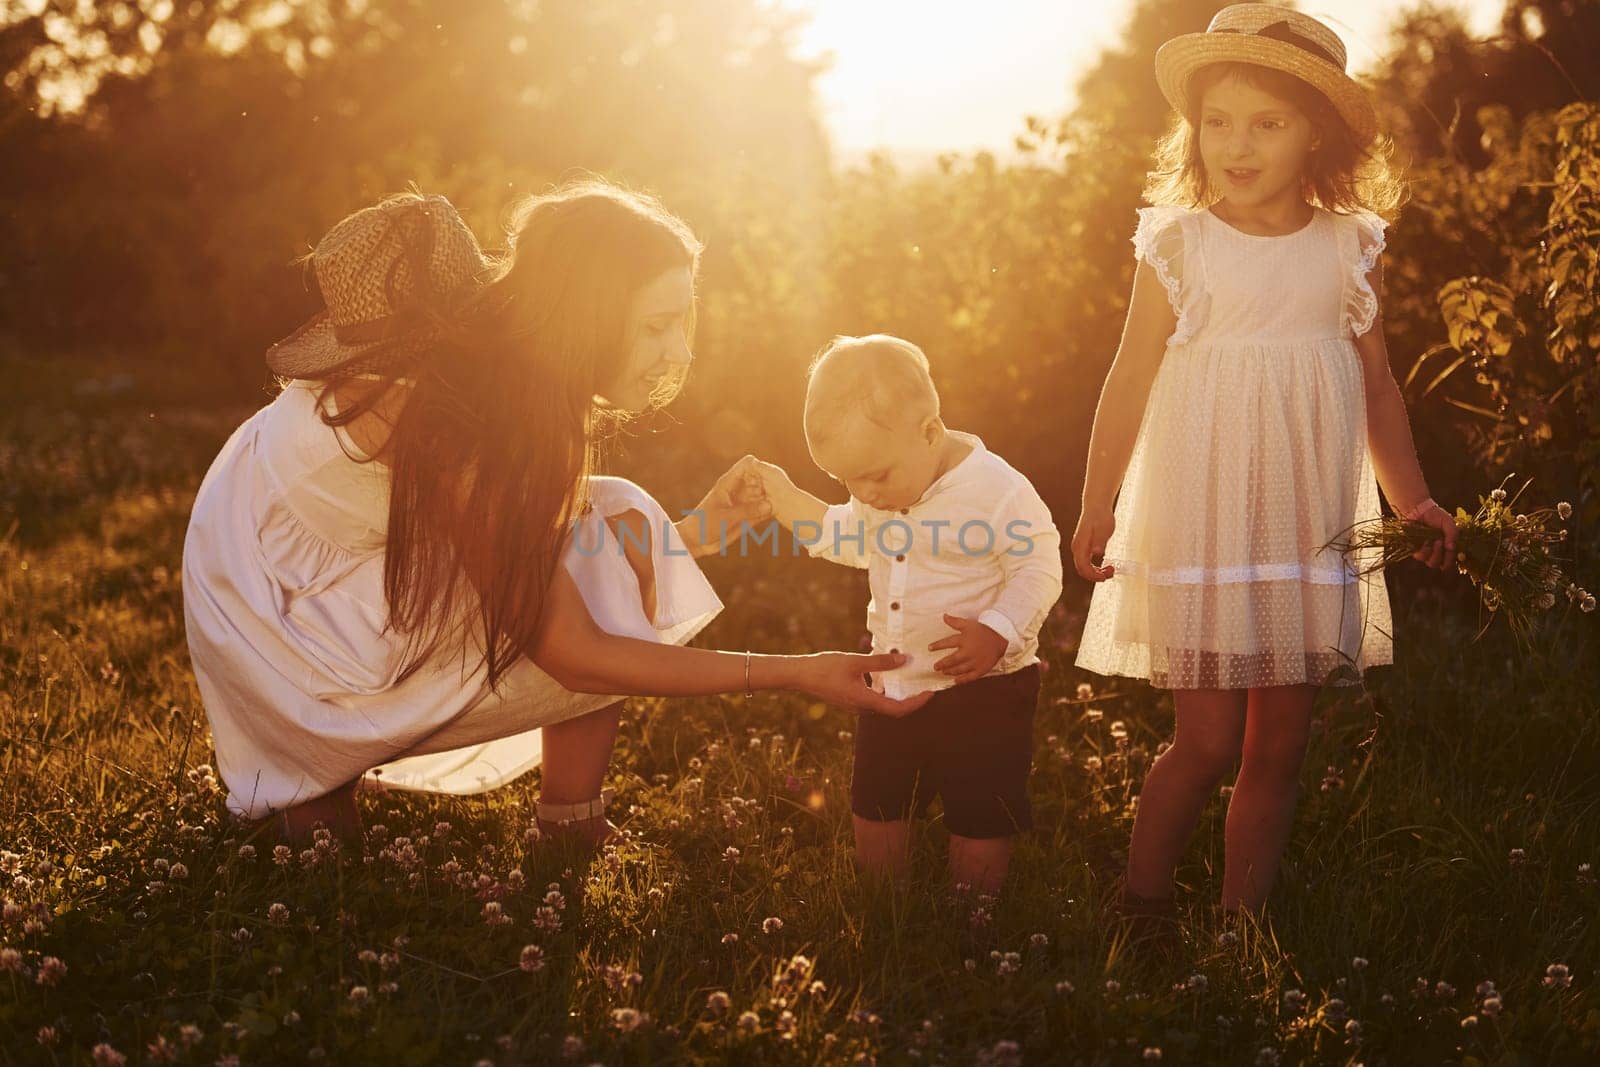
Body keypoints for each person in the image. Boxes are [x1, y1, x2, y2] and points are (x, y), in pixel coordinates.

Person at [182, 181, 929, 846]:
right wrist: (798, 673)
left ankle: (571, 819)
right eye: (654, 325)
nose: (675, 351)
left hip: (341, 545)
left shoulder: (521, 379)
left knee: (617, 510)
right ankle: (312, 759)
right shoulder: (455, 417)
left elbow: (551, 531)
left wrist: (703, 530)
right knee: (591, 577)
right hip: (270, 599)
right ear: (590, 315)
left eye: (681, 321)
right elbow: (568, 647)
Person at [1069, 5, 1458, 920]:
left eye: (1266, 123)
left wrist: (1415, 503)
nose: (1236, 145)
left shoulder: (1347, 245)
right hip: (1201, 515)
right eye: (1218, 121)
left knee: (1278, 747)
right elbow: (1128, 381)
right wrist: (1098, 506)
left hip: (1303, 522)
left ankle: (1243, 927)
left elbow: (1378, 392)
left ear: (1314, 131)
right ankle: (1143, 905)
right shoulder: (1177, 242)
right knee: (1204, 743)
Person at [748, 334, 1062, 894]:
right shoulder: (878, 495)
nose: (864, 494)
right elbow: (845, 535)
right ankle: (884, 906)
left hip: (982, 687)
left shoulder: (997, 491)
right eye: (848, 481)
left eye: (875, 476)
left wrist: (999, 629)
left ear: (930, 433)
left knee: (981, 814)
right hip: (890, 684)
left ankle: (975, 914)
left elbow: (1038, 567)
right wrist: (783, 498)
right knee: (877, 805)